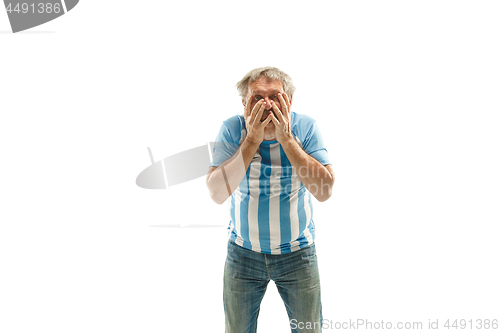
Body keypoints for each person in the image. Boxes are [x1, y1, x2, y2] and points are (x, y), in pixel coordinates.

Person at [206, 67, 334, 333]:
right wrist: (252, 139)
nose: (267, 104)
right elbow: (217, 193)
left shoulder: (305, 127)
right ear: (244, 104)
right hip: (243, 254)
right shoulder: (232, 129)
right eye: (257, 97)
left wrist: (286, 139)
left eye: (275, 96)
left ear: (289, 101)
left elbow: (324, 190)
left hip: (298, 254)